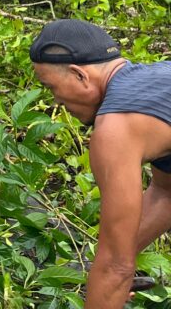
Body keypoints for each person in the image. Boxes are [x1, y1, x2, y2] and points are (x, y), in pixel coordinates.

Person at [29, 18, 171, 308]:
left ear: (80, 75)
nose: (55, 101)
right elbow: (166, 192)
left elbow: (115, 268)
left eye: (51, 87)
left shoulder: (116, 125)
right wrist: (105, 273)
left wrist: (112, 274)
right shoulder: (159, 82)